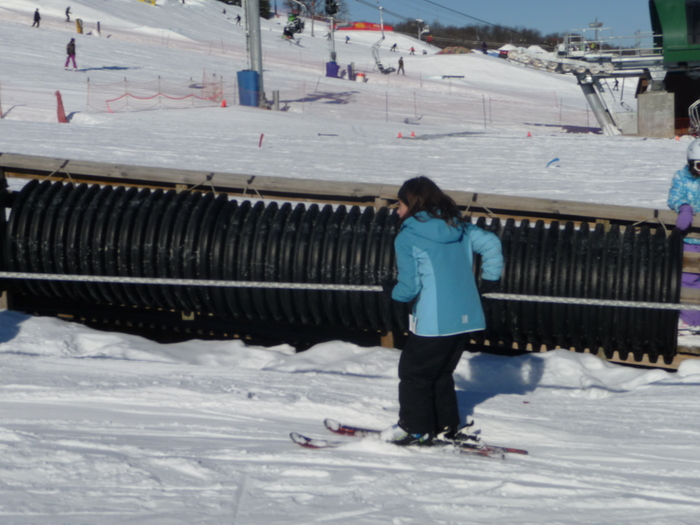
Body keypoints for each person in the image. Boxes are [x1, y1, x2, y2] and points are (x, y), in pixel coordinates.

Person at [380, 177, 503, 446]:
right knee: (440, 373)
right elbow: (492, 243)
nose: (398, 211)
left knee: (414, 374)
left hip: (434, 320)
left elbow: (410, 286)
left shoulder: (408, 236)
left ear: (413, 204)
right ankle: (444, 426)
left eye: (400, 204)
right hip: (466, 316)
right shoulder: (458, 226)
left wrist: (392, 292)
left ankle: (415, 429)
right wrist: (489, 280)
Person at [668, 139, 700, 328]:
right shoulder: (682, 177)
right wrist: (684, 207)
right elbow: (675, 195)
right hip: (689, 240)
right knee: (688, 278)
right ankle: (688, 320)